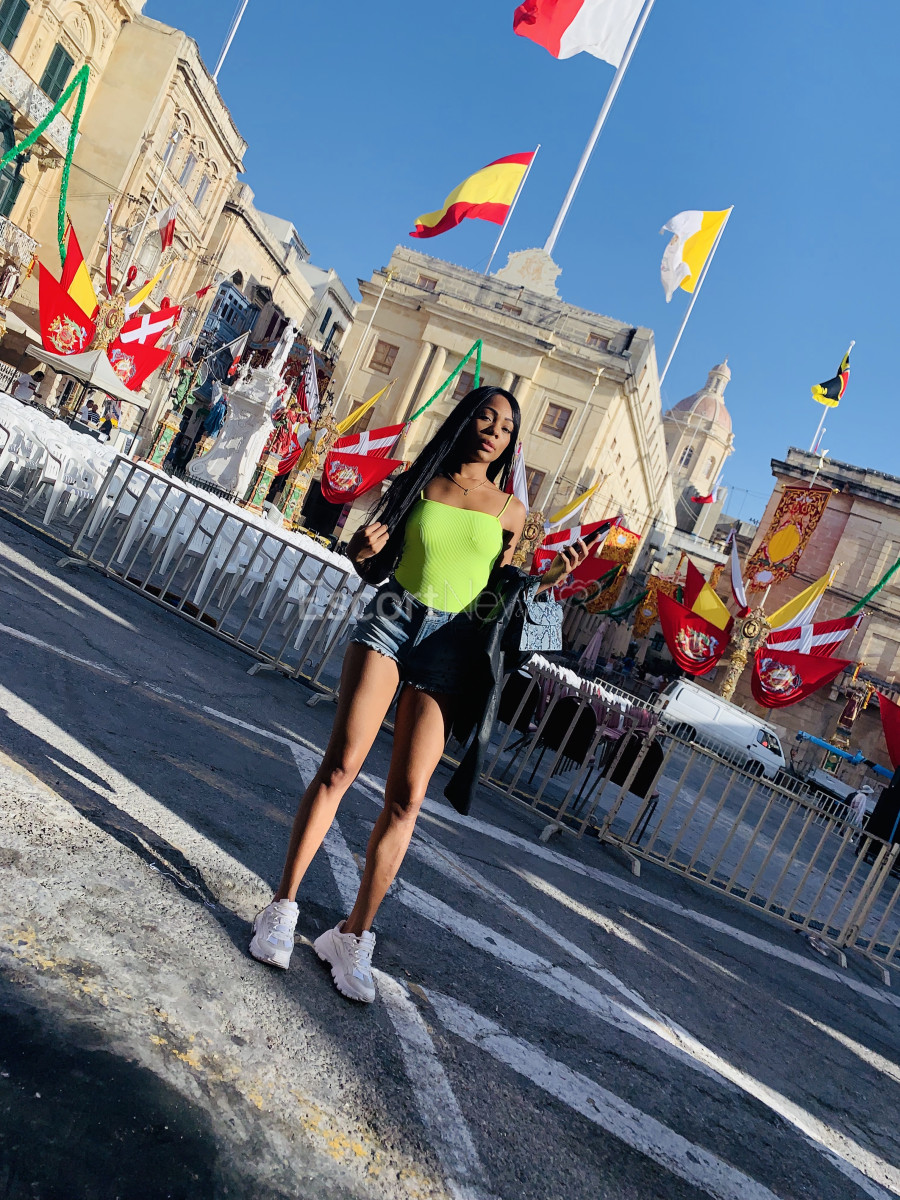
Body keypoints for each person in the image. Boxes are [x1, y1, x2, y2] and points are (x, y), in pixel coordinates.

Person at [249, 386, 589, 1002]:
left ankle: (352, 937)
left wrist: (546, 586)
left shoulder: (511, 512)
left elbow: (496, 604)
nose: (494, 431)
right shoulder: (418, 481)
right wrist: (359, 553)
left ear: (511, 443)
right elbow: (372, 567)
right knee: (340, 766)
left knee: (407, 799)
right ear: (465, 421)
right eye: (485, 418)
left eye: (507, 427)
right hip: (392, 617)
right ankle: (281, 908)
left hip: (454, 644)